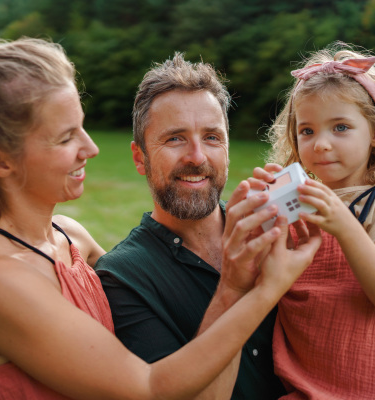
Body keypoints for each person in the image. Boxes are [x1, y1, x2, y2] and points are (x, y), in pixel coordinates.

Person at [0, 24, 321, 399]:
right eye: (65, 139)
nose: (92, 148)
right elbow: (151, 387)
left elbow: (144, 269)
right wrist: (260, 287)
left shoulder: (67, 236)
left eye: (83, 125)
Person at [95, 53, 295, 399]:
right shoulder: (121, 278)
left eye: (212, 138)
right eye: (175, 138)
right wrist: (233, 288)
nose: (197, 157)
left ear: (228, 150)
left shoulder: (275, 232)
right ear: (139, 157)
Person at [265, 44, 375, 398]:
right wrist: (266, 212)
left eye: (340, 127)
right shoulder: (298, 200)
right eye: (307, 131)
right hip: (304, 381)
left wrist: (345, 225)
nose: (321, 144)